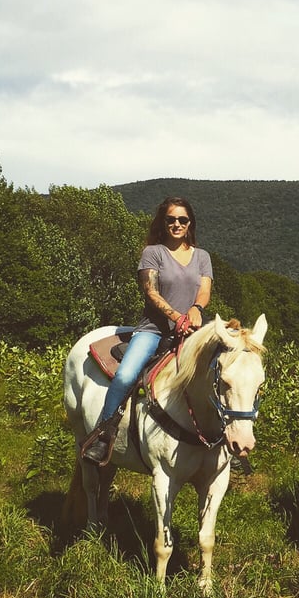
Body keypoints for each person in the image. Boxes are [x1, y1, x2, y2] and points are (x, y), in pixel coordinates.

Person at [81, 197, 213, 465]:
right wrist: (176, 316)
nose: (177, 224)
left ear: (190, 224)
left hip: (192, 331)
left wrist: (197, 308)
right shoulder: (153, 252)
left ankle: (223, 439)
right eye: (171, 219)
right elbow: (150, 291)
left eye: (182, 220)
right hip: (153, 330)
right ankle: (104, 434)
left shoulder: (202, 256)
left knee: (221, 375)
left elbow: (205, 289)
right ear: (163, 223)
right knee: (125, 376)